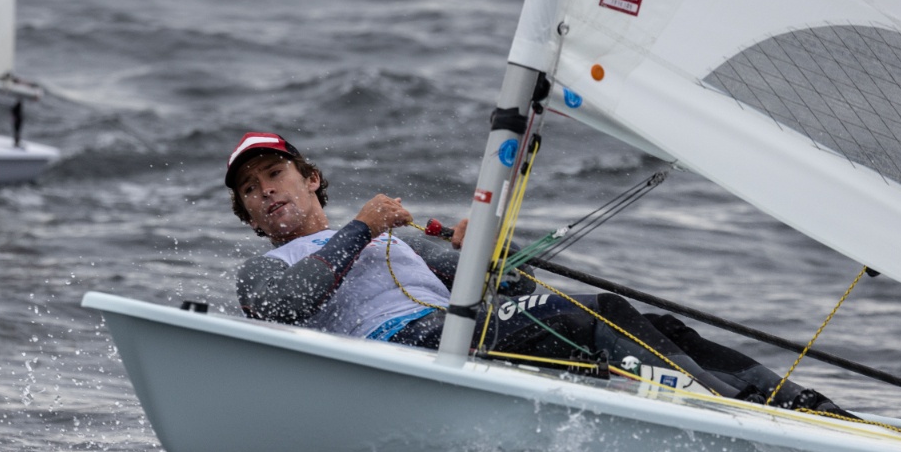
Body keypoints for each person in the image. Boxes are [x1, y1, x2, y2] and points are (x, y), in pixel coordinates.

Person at [227, 131, 844, 413]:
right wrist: (362, 226)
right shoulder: (264, 269)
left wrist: (482, 257)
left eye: (275, 175)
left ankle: (792, 402)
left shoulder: (402, 244)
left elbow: (513, 294)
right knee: (598, 316)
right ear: (251, 218)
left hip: (452, 331)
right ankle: (720, 410)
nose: (266, 193)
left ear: (309, 179)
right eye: (251, 191)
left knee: (644, 319)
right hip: (397, 355)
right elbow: (287, 304)